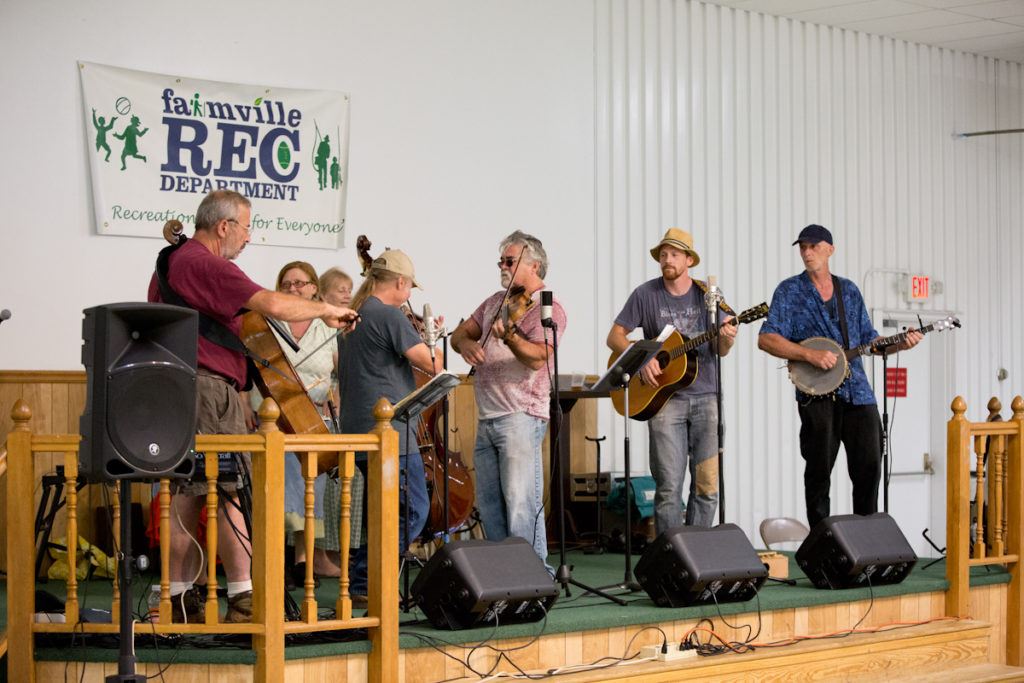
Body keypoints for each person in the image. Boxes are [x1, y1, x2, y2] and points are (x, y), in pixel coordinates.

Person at [147, 190, 358, 623]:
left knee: (186, 496)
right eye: (246, 228)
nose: (247, 238)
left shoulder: (176, 262)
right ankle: (243, 599)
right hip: (205, 389)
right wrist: (325, 309)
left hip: (180, 388)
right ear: (224, 226)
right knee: (227, 491)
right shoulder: (206, 263)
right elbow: (272, 303)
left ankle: (177, 597)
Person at [758, 224, 922, 528]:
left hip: (857, 391)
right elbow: (766, 338)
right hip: (816, 394)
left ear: (830, 249)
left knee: (870, 465)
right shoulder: (789, 291)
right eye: (802, 247)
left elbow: (870, 342)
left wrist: (901, 342)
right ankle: (822, 540)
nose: (807, 252)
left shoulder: (848, 290)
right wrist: (809, 355)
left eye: (814, 246)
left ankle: (867, 534)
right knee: (819, 470)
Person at [605, 228, 737, 533]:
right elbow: (614, 337)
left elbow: (721, 350)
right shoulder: (645, 294)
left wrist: (728, 337)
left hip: (707, 399)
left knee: (707, 486)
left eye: (674, 254)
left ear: (689, 260)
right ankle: (670, 553)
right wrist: (643, 359)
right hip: (664, 401)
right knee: (668, 487)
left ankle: (699, 552)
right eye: (663, 254)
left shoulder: (709, 296)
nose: (667, 260)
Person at [450, 231, 564, 567]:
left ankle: (534, 574)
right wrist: (466, 345)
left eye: (509, 261)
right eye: (501, 260)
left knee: (520, 502)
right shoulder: (494, 302)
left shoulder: (548, 306)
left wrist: (511, 337)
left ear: (534, 265)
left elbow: (539, 357)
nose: (502, 265)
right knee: (490, 503)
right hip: (487, 416)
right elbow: (460, 334)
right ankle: (504, 575)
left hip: (521, 415)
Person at [339, 249, 441, 605]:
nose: (410, 294)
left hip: (355, 427)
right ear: (400, 282)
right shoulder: (389, 316)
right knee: (413, 508)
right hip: (389, 431)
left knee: (379, 510)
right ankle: (369, 579)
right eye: (410, 287)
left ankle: (362, 582)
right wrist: (432, 339)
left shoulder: (355, 314)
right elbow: (433, 364)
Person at [256, 261, 343, 585]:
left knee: (312, 490)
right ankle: (274, 561)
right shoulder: (268, 325)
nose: (293, 289)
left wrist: (332, 400)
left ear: (314, 289)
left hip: (313, 420)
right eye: (286, 285)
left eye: (300, 284)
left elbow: (338, 375)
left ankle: (303, 561)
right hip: (273, 420)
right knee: (274, 489)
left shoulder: (327, 329)